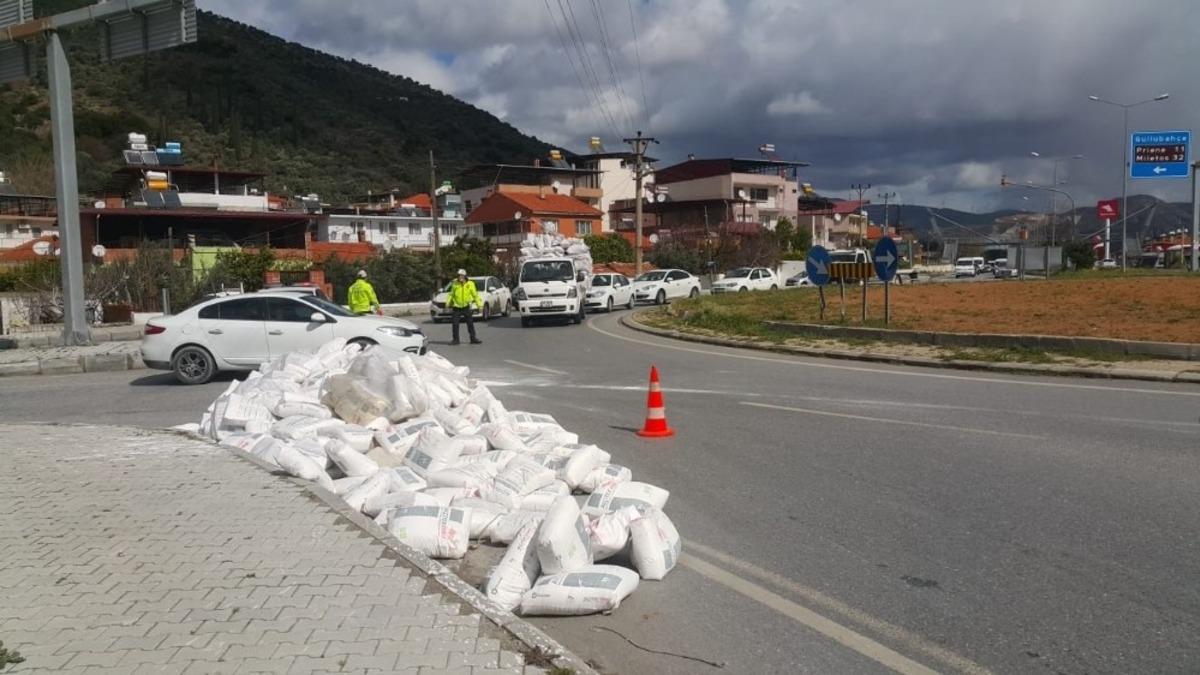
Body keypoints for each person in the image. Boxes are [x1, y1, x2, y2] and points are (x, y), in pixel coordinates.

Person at [447, 268, 482, 345]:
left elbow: (475, 295)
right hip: (456, 307)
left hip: (466, 306)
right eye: (459, 276)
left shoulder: (470, 284)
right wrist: (448, 303)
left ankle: (473, 338)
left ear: (465, 276)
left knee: (470, 323)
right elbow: (451, 294)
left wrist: (479, 305)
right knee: (455, 324)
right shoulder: (455, 284)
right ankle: (456, 339)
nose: (460, 277)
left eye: (462, 276)